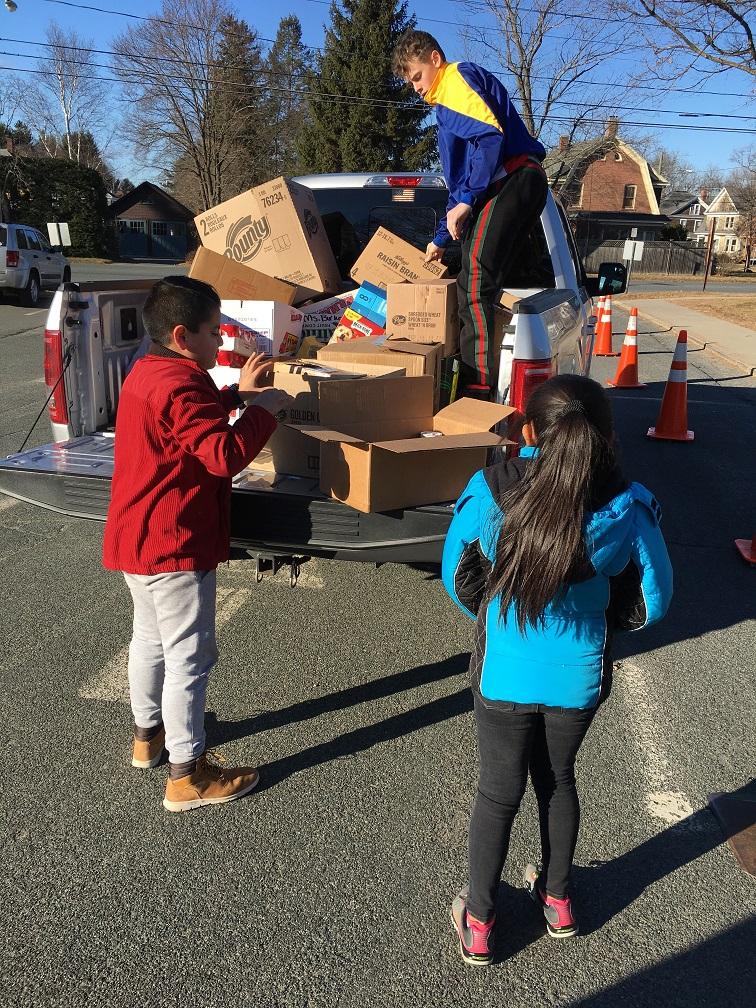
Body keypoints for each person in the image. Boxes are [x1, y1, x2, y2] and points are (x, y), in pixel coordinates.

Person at [441, 374, 673, 965]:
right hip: (579, 675)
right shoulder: (627, 503)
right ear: (607, 439)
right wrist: (606, 621)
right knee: (559, 780)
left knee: (496, 795)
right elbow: (652, 598)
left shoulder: (492, 488)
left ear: (526, 431)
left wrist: (494, 615)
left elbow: (459, 576)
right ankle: (559, 899)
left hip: (503, 673)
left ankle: (481, 921)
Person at [103, 276, 292, 813]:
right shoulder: (182, 384)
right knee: (190, 656)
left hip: (138, 535)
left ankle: (148, 736)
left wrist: (240, 394)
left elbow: (190, 416)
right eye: (214, 332)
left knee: (150, 640)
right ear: (184, 335)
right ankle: (187, 774)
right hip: (174, 539)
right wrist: (264, 412)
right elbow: (222, 455)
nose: (222, 342)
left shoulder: (153, 369)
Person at [392, 30, 548, 400]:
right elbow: (461, 185)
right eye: (409, 82)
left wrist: (466, 201)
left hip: (514, 177)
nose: (415, 88)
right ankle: (477, 378)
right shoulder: (446, 111)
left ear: (434, 59)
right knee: (474, 280)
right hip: (507, 183)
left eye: (416, 76)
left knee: (474, 285)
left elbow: (490, 138)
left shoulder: (454, 80)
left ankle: (477, 390)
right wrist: (439, 239)